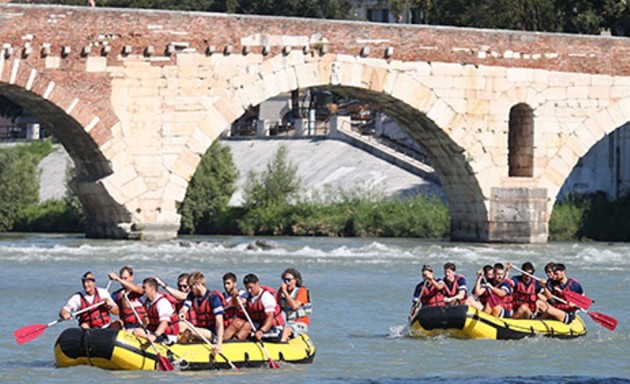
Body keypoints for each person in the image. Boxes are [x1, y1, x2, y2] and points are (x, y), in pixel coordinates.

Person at [224, 273, 284, 341]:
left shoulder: (266, 297)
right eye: (247, 288)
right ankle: (222, 341)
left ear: (257, 284)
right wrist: (235, 297)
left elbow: (270, 317)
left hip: (271, 327)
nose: (249, 290)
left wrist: (262, 331)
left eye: (250, 287)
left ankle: (236, 342)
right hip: (258, 323)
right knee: (237, 322)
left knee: (248, 325)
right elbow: (236, 304)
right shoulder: (248, 295)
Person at [180, 272, 226, 353]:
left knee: (188, 330)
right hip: (199, 329)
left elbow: (219, 323)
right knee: (179, 325)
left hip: (212, 333)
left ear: (197, 284)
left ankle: (180, 350)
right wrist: (182, 313)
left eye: (191, 286)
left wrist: (219, 344)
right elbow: (184, 309)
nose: (190, 289)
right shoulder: (192, 296)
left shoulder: (213, 298)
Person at [134, 278, 179, 344]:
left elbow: (164, 323)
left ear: (152, 288)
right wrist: (125, 295)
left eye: (144, 288)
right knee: (130, 331)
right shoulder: (145, 298)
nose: (142, 290)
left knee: (137, 331)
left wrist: (155, 335)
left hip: (167, 335)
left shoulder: (162, 302)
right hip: (155, 331)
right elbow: (129, 306)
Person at [276, 268, 312, 342]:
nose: (286, 282)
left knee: (287, 330)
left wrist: (285, 292)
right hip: (284, 321)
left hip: (299, 322)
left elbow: (295, 306)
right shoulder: (281, 291)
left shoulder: (302, 291)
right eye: (284, 280)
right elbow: (276, 306)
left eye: (289, 280)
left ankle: (282, 344)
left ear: (295, 280)